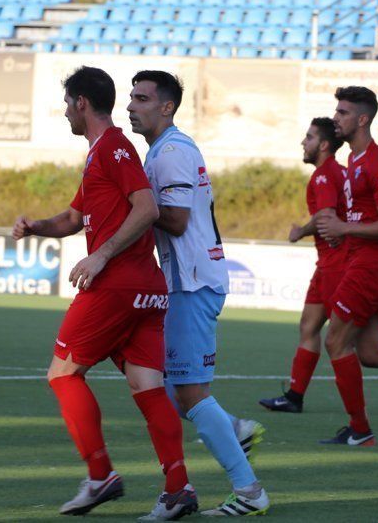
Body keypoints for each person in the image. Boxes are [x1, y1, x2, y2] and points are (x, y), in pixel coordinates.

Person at [12, 67, 196, 519]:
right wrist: (37, 227)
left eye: (66, 104)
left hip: (117, 285)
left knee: (63, 374)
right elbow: (75, 219)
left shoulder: (113, 147)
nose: (64, 114)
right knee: (148, 387)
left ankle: (100, 475)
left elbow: (147, 206)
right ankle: (178, 489)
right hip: (147, 291)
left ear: (80, 103)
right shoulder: (100, 154)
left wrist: (102, 256)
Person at [127, 70, 269, 517]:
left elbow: (176, 219)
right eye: (131, 97)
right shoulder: (166, 150)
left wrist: (132, 212)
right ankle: (234, 429)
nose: (132, 105)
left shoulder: (170, 151)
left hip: (190, 281)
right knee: (172, 393)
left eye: (142, 98)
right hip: (188, 279)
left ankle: (249, 492)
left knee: (187, 393)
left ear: (166, 107)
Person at [313, 86, 378, 446]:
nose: (336, 118)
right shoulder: (354, 158)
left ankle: (360, 429)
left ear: (362, 119)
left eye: (343, 113)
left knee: (334, 341)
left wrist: (343, 228)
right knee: (370, 351)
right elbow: (363, 214)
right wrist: (344, 232)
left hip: (374, 264)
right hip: (362, 259)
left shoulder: (377, 164)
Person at [258, 117, 347, 414]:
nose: (303, 142)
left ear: (323, 145)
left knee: (366, 344)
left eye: (308, 137)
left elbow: (325, 218)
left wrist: (300, 231)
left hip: (338, 265)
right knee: (309, 325)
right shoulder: (341, 172)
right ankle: (295, 396)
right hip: (328, 264)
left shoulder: (323, 175)